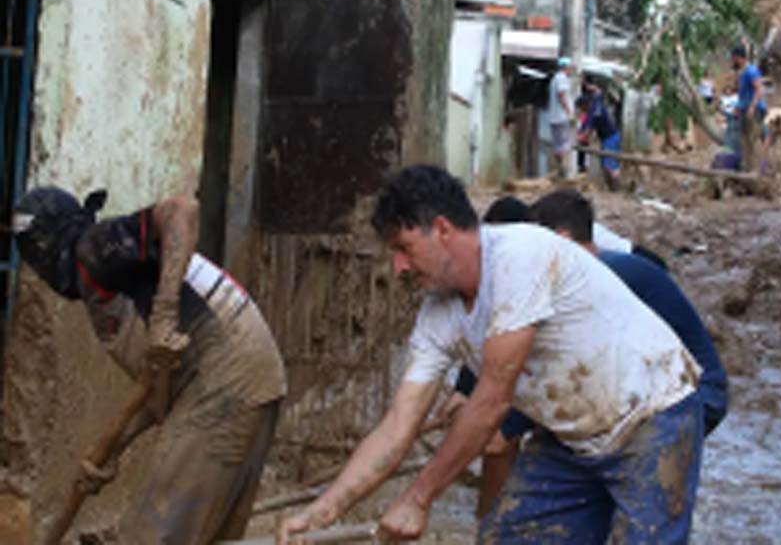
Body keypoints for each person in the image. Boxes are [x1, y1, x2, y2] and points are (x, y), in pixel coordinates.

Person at [278, 165, 703, 544]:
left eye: (404, 248)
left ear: (442, 229)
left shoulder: (520, 256)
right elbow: (398, 425)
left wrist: (418, 498)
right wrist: (324, 511)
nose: (398, 268)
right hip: (572, 438)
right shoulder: (437, 315)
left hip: (653, 416)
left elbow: (493, 401)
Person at [12, 187, 286, 544]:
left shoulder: (93, 248)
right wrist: (111, 452)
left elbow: (181, 210)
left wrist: (165, 312)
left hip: (227, 375)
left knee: (150, 535)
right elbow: (161, 392)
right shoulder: (107, 280)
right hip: (250, 376)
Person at [528, 189, 728, 437]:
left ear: (562, 240)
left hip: (693, 394)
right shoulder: (601, 269)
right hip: (660, 389)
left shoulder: (607, 277)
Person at [731, 44, 769, 172]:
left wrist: (752, 107)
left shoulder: (751, 71)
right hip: (745, 110)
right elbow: (743, 96)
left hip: (754, 110)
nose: (733, 61)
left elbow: (759, 89)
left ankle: (754, 168)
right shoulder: (742, 74)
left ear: (740, 58)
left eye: (734, 58)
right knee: (744, 139)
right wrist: (738, 108)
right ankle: (746, 166)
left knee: (751, 139)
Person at [579, 77, 621, 191]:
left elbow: (587, 133)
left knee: (609, 165)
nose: (581, 111)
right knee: (607, 164)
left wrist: (577, 140)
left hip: (610, 138)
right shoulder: (596, 102)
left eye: (581, 108)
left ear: (584, 106)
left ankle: (615, 188)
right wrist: (587, 85)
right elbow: (599, 91)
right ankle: (612, 188)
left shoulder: (591, 115)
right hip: (611, 135)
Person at [540, 56, 576, 178]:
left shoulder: (555, 79)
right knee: (564, 145)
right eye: (570, 68)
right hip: (561, 117)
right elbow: (562, 95)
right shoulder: (561, 78)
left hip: (555, 117)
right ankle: (564, 171)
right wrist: (569, 113)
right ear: (566, 67)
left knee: (558, 145)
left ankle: (559, 169)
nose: (571, 70)